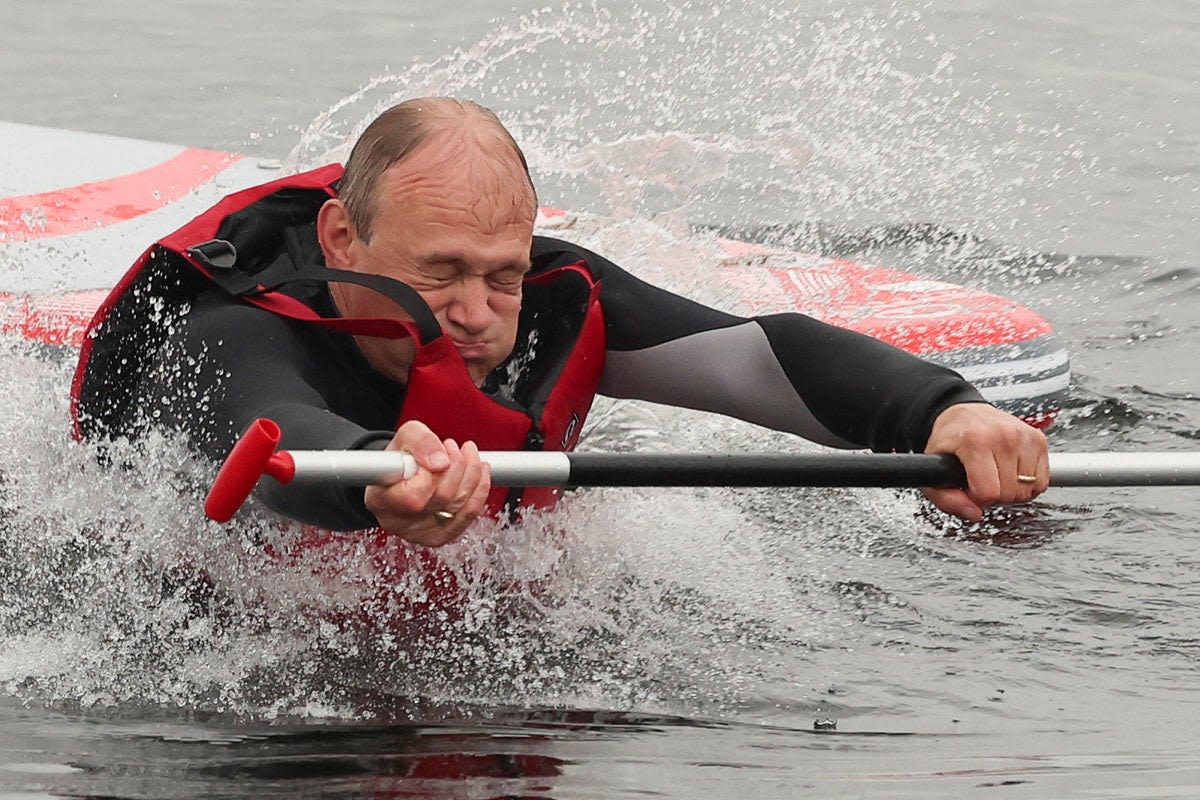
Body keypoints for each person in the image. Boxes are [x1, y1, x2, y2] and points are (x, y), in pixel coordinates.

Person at [73, 98, 1048, 547]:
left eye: (501, 273)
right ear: (342, 238)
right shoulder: (226, 336)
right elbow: (278, 437)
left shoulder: (553, 299)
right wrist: (381, 479)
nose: (475, 312)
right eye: (439, 271)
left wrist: (942, 413)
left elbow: (765, 356)